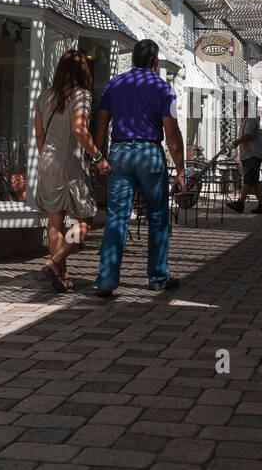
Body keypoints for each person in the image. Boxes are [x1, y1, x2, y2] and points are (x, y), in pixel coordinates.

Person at [92, 39, 186, 296]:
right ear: (155, 63)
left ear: (132, 60)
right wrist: (180, 170)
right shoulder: (163, 89)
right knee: (157, 217)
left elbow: (101, 124)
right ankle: (157, 276)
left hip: (120, 152)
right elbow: (172, 131)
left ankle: (107, 280)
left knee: (116, 218)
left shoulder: (114, 84)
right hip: (150, 153)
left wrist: (98, 159)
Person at [34, 51, 111, 292]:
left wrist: (47, 157)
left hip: (46, 160)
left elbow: (39, 136)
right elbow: (79, 129)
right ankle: (56, 261)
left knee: (55, 220)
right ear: (82, 73)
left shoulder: (44, 97)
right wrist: (98, 158)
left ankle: (61, 273)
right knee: (85, 221)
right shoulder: (82, 95)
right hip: (70, 161)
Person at [225, 96, 262, 214]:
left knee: (249, 178)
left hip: (253, 153)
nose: (239, 112)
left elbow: (248, 135)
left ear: (246, 108)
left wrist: (235, 142)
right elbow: (244, 136)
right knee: (253, 180)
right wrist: (236, 143)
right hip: (247, 154)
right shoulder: (245, 119)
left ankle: (240, 203)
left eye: (240, 109)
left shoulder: (251, 117)